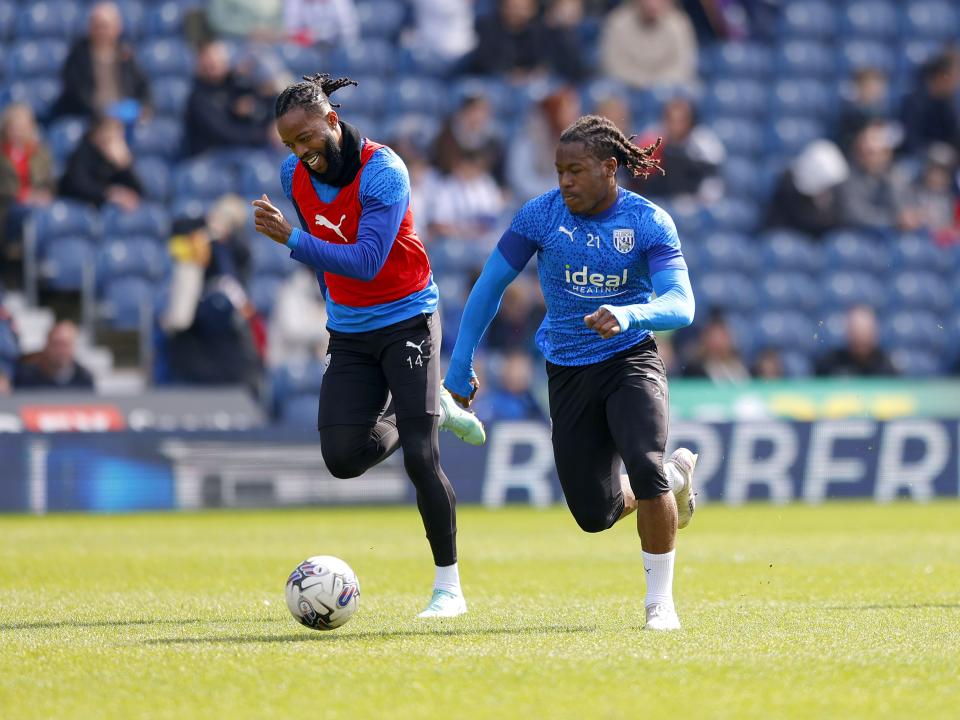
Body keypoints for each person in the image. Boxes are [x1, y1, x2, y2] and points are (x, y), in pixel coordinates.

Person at [444, 115, 699, 631]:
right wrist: (459, 361)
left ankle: (660, 605)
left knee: (644, 467)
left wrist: (631, 314)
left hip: (630, 359)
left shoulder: (648, 222)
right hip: (566, 369)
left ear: (610, 169)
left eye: (575, 171)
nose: (564, 182)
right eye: (559, 171)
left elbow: (682, 303)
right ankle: (677, 478)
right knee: (593, 515)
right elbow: (490, 286)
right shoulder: (539, 216)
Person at [251, 73, 487, 619]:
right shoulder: (295, 175)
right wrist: (330, 306)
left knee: (422, 459)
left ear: (331, 121)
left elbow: (366, 260)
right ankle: (429, 409)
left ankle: (448, 588)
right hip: (351, 331)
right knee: (341, 457)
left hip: (407, 319)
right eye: (291, 144)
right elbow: (323, 257)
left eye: (308, 137)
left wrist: (289, 238)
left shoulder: (384, 170)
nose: (302, 153)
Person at [51, 1, 151, 121]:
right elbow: (74, 91)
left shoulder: (126, 54)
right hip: (89, 117)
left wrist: (145, 107)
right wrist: (100, 111)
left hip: (122, 117)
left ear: (117, 27)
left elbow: (143, 85)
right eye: (97, 26)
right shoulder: (78, 55)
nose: (101, 31)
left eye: (105, 26)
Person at [184, 41, 273, 157]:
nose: (214, 66)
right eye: (210, 64)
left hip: (241, 152)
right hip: (211, 158)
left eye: (220, 62)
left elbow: (264, 102)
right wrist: (266, 134)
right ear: (200, 65)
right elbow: (224, 133)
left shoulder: (234, 84)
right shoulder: (198, 98)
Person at [600, 0, 698, 90]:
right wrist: (642, 82)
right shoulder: (617, 21)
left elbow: (683, 66)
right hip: (626, 86)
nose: (652, 3)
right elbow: (613, 65)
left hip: (666, 87)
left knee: (679, 101)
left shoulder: (679, 23)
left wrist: (657, 84)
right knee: (610, 101)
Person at [58, 115, 142, 210]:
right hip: (79, 206)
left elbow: (139, 190)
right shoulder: (82, 152)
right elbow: (80, 185)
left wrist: (125, 165)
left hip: (107, 209)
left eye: (117, 136)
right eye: (109, 135)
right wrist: (108, 193)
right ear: (97, 134)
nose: (114, 141)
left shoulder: (117, 157)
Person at [815, 304, 898, 377]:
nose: (860, 337)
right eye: (855, 330)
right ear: (847, 332)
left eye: (865, 330)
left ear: (875, 332)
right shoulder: (830, 365)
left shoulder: (887, 368)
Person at [14, 321, 95, 390]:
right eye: (55, 344)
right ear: (46, 346)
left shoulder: (84, 378)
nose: (60, 350)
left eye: (65, 345)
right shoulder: (26, 376)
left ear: (73, 347)